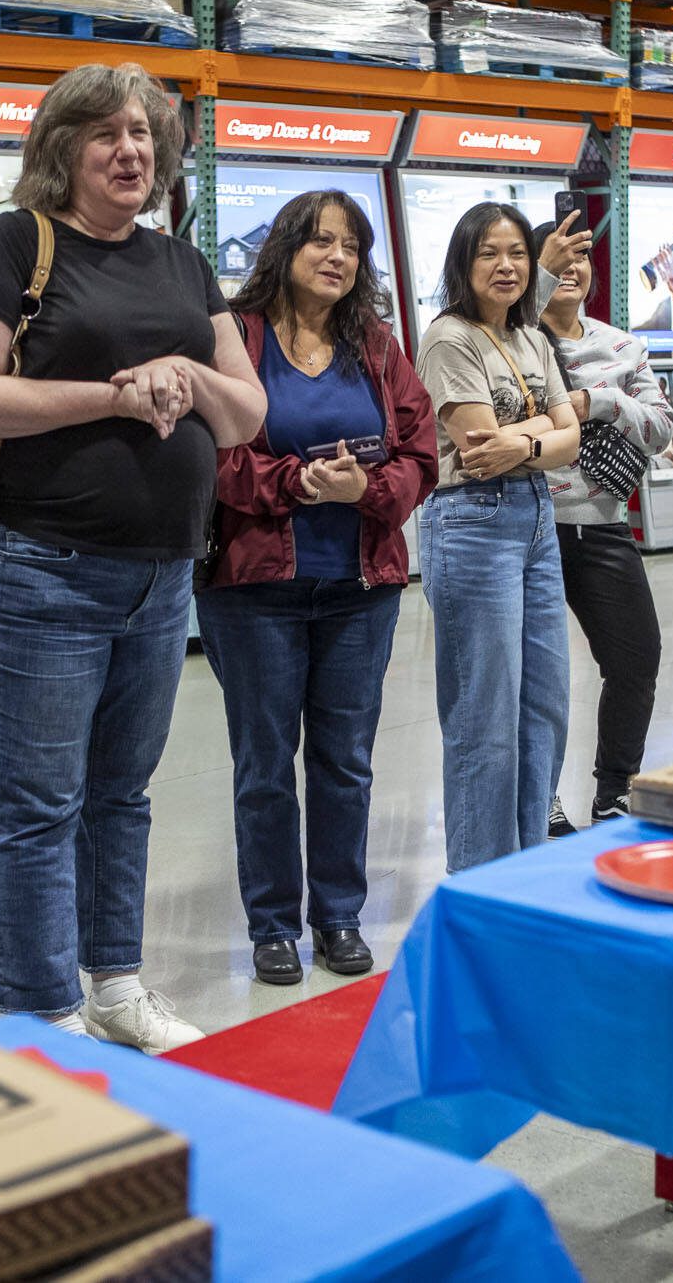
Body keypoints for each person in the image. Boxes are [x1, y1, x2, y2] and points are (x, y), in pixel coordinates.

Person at [0, 63, 265, 1051]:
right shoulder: (15, 245)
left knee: (122, 793)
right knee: (40, 801)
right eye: (106, 133)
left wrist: (188, 372)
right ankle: (36, 1008)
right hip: (41, 567)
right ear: (61, 149)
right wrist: (114, 396)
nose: (130, 151)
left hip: (162, 575)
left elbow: (244, 415)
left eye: (145, 134)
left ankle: (114, 984)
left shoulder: (182, 265)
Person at [197, 191, 436, 984]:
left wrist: (361, 491)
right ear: (286, 247)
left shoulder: (375, 345)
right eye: (321, 241)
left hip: (360, 587)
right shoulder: (237, 336)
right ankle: (272, 923)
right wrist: (299, 483)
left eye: (352, 246)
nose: (338, 257)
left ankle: (338, 915)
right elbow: (215, 454)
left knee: (346, 761)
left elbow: (420, 455)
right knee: (264, 763)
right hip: (255, 588)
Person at [417, 201, 581, 872]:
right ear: (463, 262)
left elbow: (571, 441)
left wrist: (528, 441)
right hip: (472, 522)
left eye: (517, 252)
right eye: (489, 252)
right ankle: (483, 882)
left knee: (544, 706)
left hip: (537, 516)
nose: (507, 265)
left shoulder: (533, 338)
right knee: (486, 716)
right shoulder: (448, 338)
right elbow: (478, 448)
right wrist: (545, 432)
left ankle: (528, 869)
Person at [530, 216, 673, 832]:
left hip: (603, 526)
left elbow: (663, 428)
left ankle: (615, 791)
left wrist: (603, 403)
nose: (572, 268)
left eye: (582, 258)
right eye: (558, 258)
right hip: (530, 527)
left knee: (636, 660)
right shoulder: (512, 340)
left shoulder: (622, 345)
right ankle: (541, 800)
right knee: (537, 673)